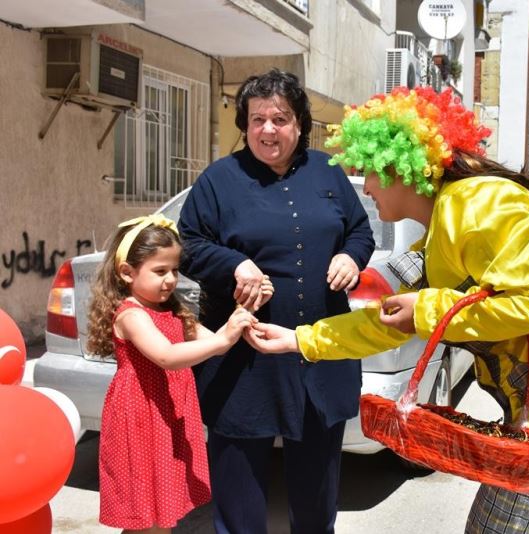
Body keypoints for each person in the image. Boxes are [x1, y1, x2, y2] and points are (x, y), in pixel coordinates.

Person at [244, 86, 529, 534]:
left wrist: (426, 306)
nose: (364, 186)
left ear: (402, 168)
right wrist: (301, 340)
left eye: (368, 172)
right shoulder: (446, 224)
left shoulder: (477, 204)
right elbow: (389, 320)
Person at [177, 69, 375, 533]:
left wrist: (351, 255)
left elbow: (360, 230)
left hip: (317, 350)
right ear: (245, 125)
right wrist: (233, 264)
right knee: (240, 495)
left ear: (300, 124)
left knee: (317, 493)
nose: (268, 129)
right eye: (257, 119)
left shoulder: (328, 171)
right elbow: (187, 244)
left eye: (280, 119)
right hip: (244, 359)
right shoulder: (218, 180)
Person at [86, 214, 259, 533]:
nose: (170, 280)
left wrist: (242, 318)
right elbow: (165, 356)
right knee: (143, 511)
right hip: (140, 417)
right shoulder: (131, 314)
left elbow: (216, 340)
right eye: (160, 271)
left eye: (175, 270)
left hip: (167, 416)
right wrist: (224, 339)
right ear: (127, 272)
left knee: (161, 508)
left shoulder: (172, 310)